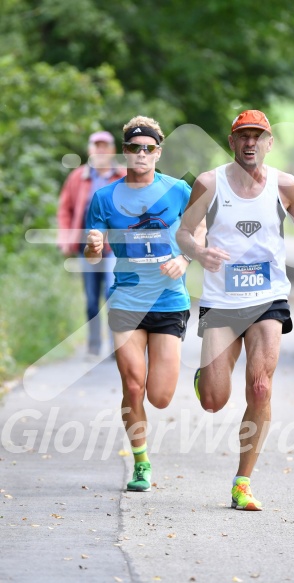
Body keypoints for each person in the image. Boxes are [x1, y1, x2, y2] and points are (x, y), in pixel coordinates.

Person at [176, 109, 294, 511]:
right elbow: (184, 233)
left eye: (258, 136)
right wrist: (199, 251)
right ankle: (206, 376)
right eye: (244, 136)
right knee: (213, 400)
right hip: (222, 302)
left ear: (269, 143)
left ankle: (243, 482)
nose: (251, 143)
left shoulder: (286, 185)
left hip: (268, 297)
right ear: (232, 142)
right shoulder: (209, 183)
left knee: (260, 386)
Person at [84, 115, 197, 492]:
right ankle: (141, 462)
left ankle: (195, 377)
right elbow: (92, 255)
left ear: (158, 152)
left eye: (148, 149)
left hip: (168, 299)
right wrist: (94, 246)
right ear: (125, 151)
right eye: (134, 148)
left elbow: (200, 230)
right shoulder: (103, 198)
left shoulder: (178, 189)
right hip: (127, 301)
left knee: (160, 397)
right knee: (133, 388)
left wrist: (185, 258)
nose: (141, 154)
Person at [57, 131, 126, 357]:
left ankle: (115, 346)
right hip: (86, 248)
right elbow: (65, 209)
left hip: (114, 247)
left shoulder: (124, 175)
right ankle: (94, 344)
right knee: (90, 298)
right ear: (90, 150)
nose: (101, 150)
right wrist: (66, 237)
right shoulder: (78, 177)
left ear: (111, 149)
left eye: (105, 146)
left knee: (111, 292)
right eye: (97, 146)